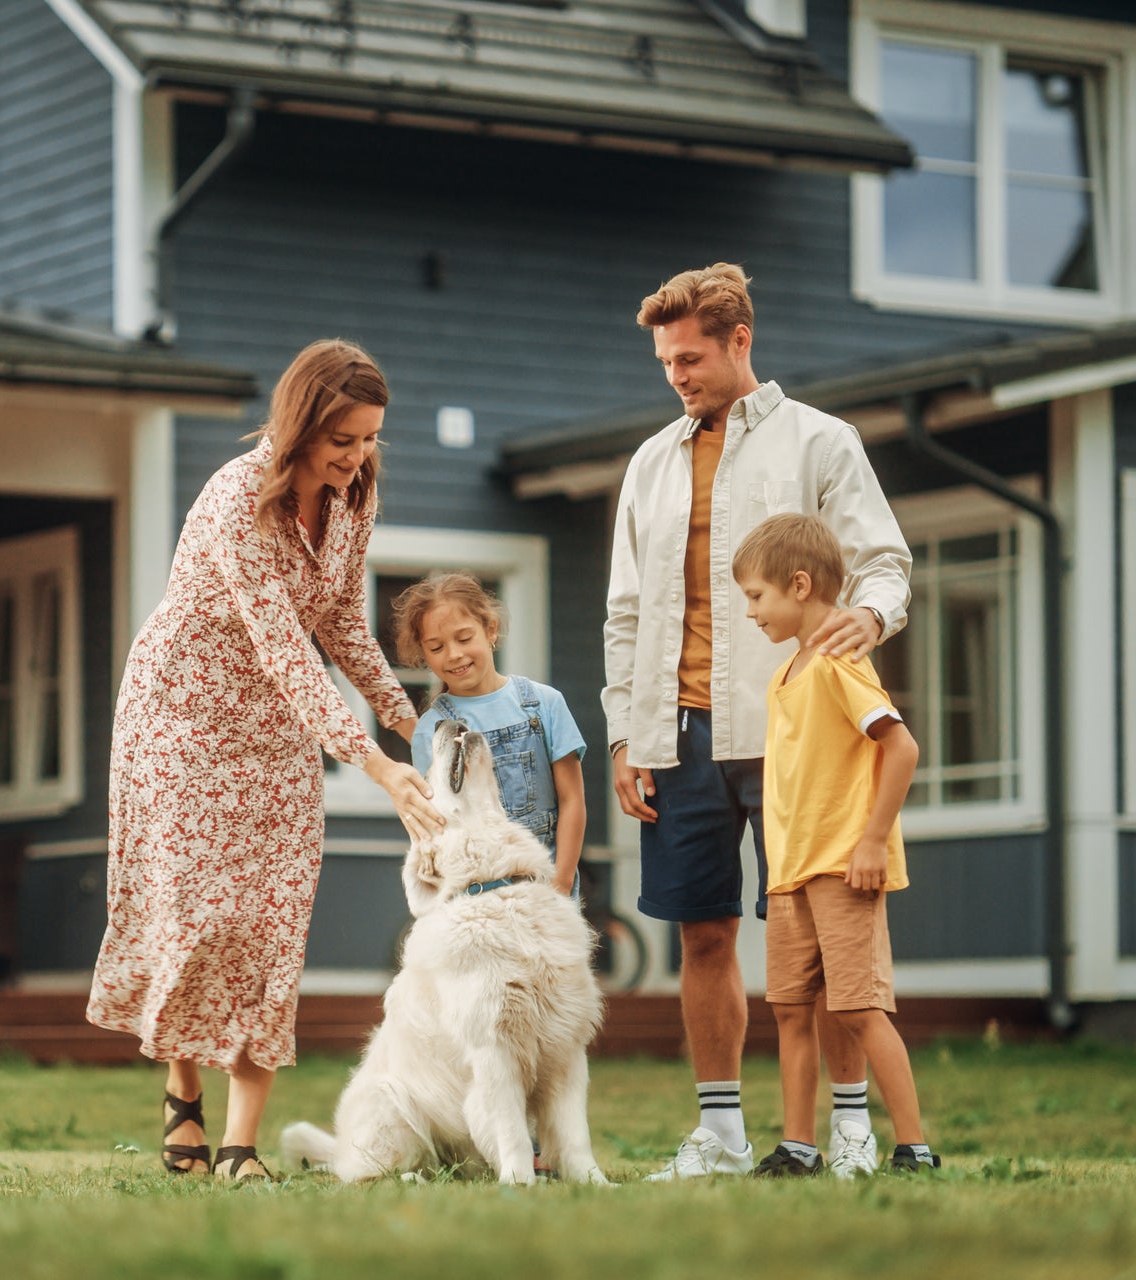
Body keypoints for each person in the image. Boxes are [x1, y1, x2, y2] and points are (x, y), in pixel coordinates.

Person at [86, 339, 444, 1182]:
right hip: (184, 718)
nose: (357, 459)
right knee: (195, 916)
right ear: (302, 425)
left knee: (273, 921)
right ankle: (183, 1101)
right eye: (342, 440)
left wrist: (409, 722)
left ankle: (243, 1145)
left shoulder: (355, 500)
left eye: (369, 440)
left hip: (279, 729)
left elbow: (339, 625)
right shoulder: (235, 499)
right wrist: (377, 766)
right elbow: (285, 647)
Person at [603, 263, 911, 1180]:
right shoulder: (650, 463)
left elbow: (883, 561)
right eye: (664, 361)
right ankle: (723, 1135)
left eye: (690, 356)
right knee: (702, 934)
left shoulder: (822, 442)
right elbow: (625, 612)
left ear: (740, 340)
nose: (676, 375)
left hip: (800, 740)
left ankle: (848, 1130)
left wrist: (876, 613)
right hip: (677, 736)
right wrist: (626, 732)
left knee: (822, 945)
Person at [733, 513, 940, 1176]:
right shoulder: (786, 673)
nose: (749, 611)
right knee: (792, 1010)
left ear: (799, 585)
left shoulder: (838, 661)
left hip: (843, 867)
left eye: (756, 596)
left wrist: (873, 840)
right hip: (790, 871)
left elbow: (901, 747)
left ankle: (914, 1148)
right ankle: (798, 1147)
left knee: (857, 1007)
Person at [400, 572, 587, 899]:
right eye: (436, 647)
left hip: (547, 885)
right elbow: (437, 826)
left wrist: (562, 882)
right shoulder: (432, 731)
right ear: (424, 654)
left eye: (463, 638)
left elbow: (572, 800)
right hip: (475, 896)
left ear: (490, 630)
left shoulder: (544, 703)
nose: (454, 654)